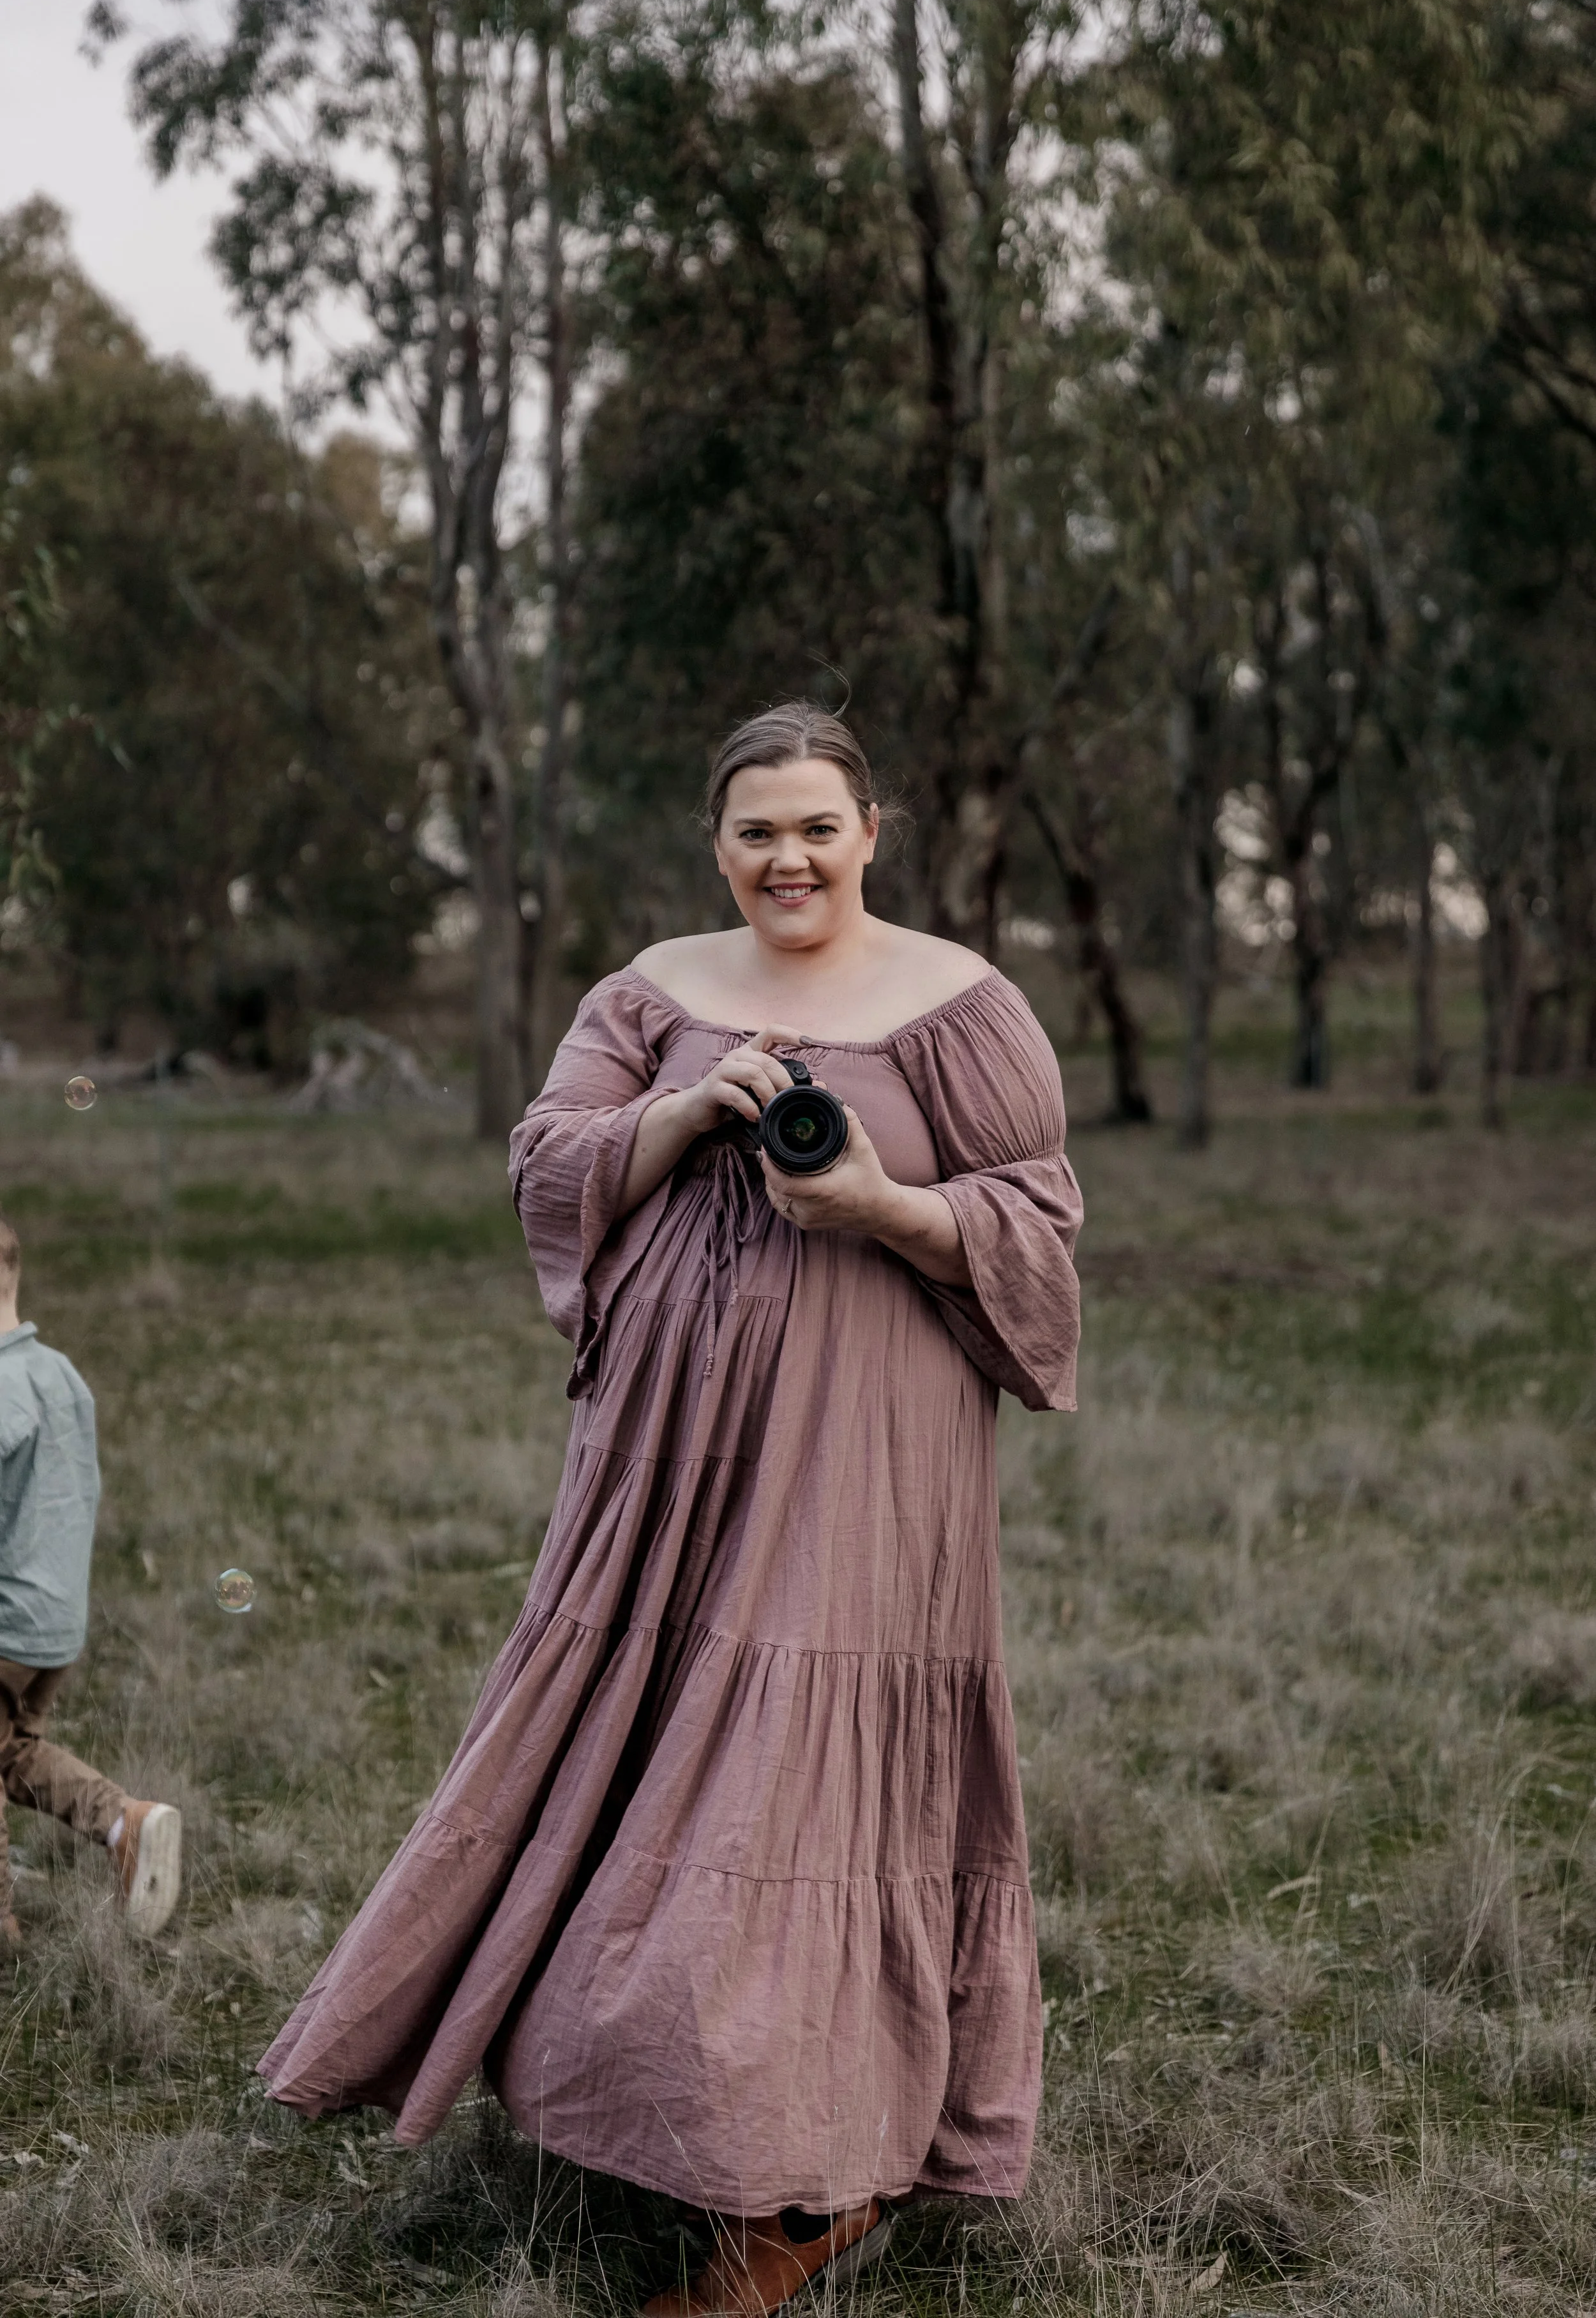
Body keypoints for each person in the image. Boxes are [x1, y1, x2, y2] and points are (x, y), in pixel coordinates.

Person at [259, 705, 1082, 2315]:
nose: (788, 857)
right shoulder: (650, 992)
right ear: (719, 842)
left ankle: (808, 2186)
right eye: (756, 830)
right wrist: (688, 1111)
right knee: (637, 1756)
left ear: (872, 829)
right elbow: (546, 1163)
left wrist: (878, 1206)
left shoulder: (964, 1008)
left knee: (797, 1787)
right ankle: (671, 2115)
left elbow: (1040, 1238)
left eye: (817, 826)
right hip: (656, 1490)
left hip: (863, 1474)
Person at [0, 1214, 183, 1948]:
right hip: (57, 1620)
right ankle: (123, 1823)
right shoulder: (60, 1373)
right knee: (13, 1753)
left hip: (6, 1617)